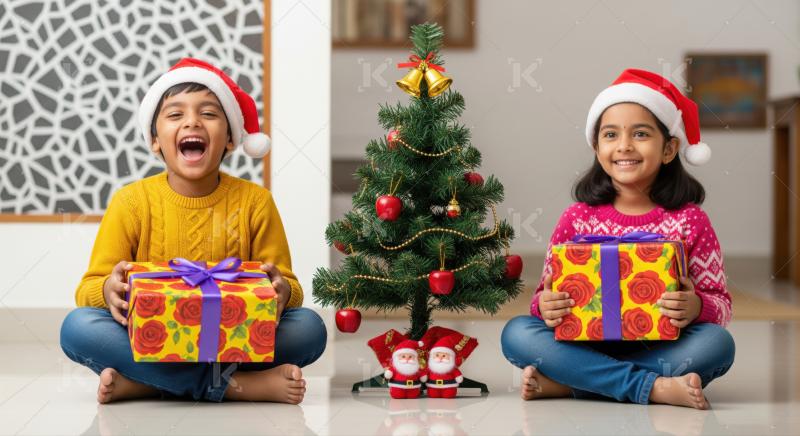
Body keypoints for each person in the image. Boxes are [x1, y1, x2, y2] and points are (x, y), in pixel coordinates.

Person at [60, 58, 326, 404]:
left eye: (209, 114)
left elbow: (291, 289)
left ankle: (149, 383)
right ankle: (233, 386)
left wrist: (281, 292)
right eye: (175, 115)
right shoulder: (131, 202)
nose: (192, 122)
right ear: (155, 140)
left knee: (308, 328)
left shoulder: (256, 202)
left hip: (233, 337)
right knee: (77, 327)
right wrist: (110, 289)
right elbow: (88, 289)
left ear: (230, 139)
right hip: (152, 335)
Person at [501, 69, 735, 409]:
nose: (624, 146)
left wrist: (697, 305)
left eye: (640, 134)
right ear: (597, 147)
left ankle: (574, 384)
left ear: (669, 148)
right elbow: (542, 299)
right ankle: (654, 387)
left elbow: (722, 306)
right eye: (610, 135)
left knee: (717, 344)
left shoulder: (689, 220)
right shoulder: (577, 218)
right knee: (517, 333)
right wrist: (546, 306)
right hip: (583, 344)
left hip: (662, 346)